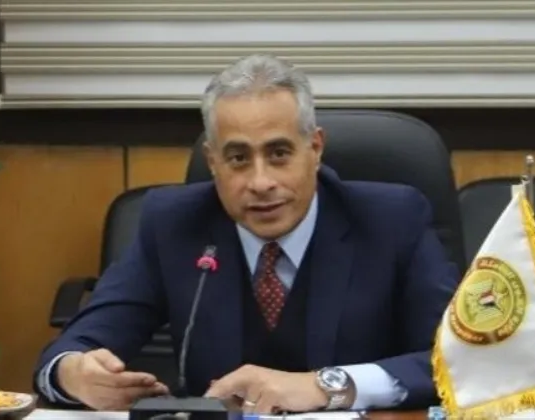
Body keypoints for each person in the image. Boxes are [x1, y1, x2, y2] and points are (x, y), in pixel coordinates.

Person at [33, 54, 460, 413]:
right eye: (238, 158)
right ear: (213, 162)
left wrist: (325, 386)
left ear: (315, 149)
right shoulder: (174, 224)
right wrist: (74, 374)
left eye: (279, 153)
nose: (260, 182)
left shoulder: (391, 220)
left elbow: (457, 362)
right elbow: (74, 348)